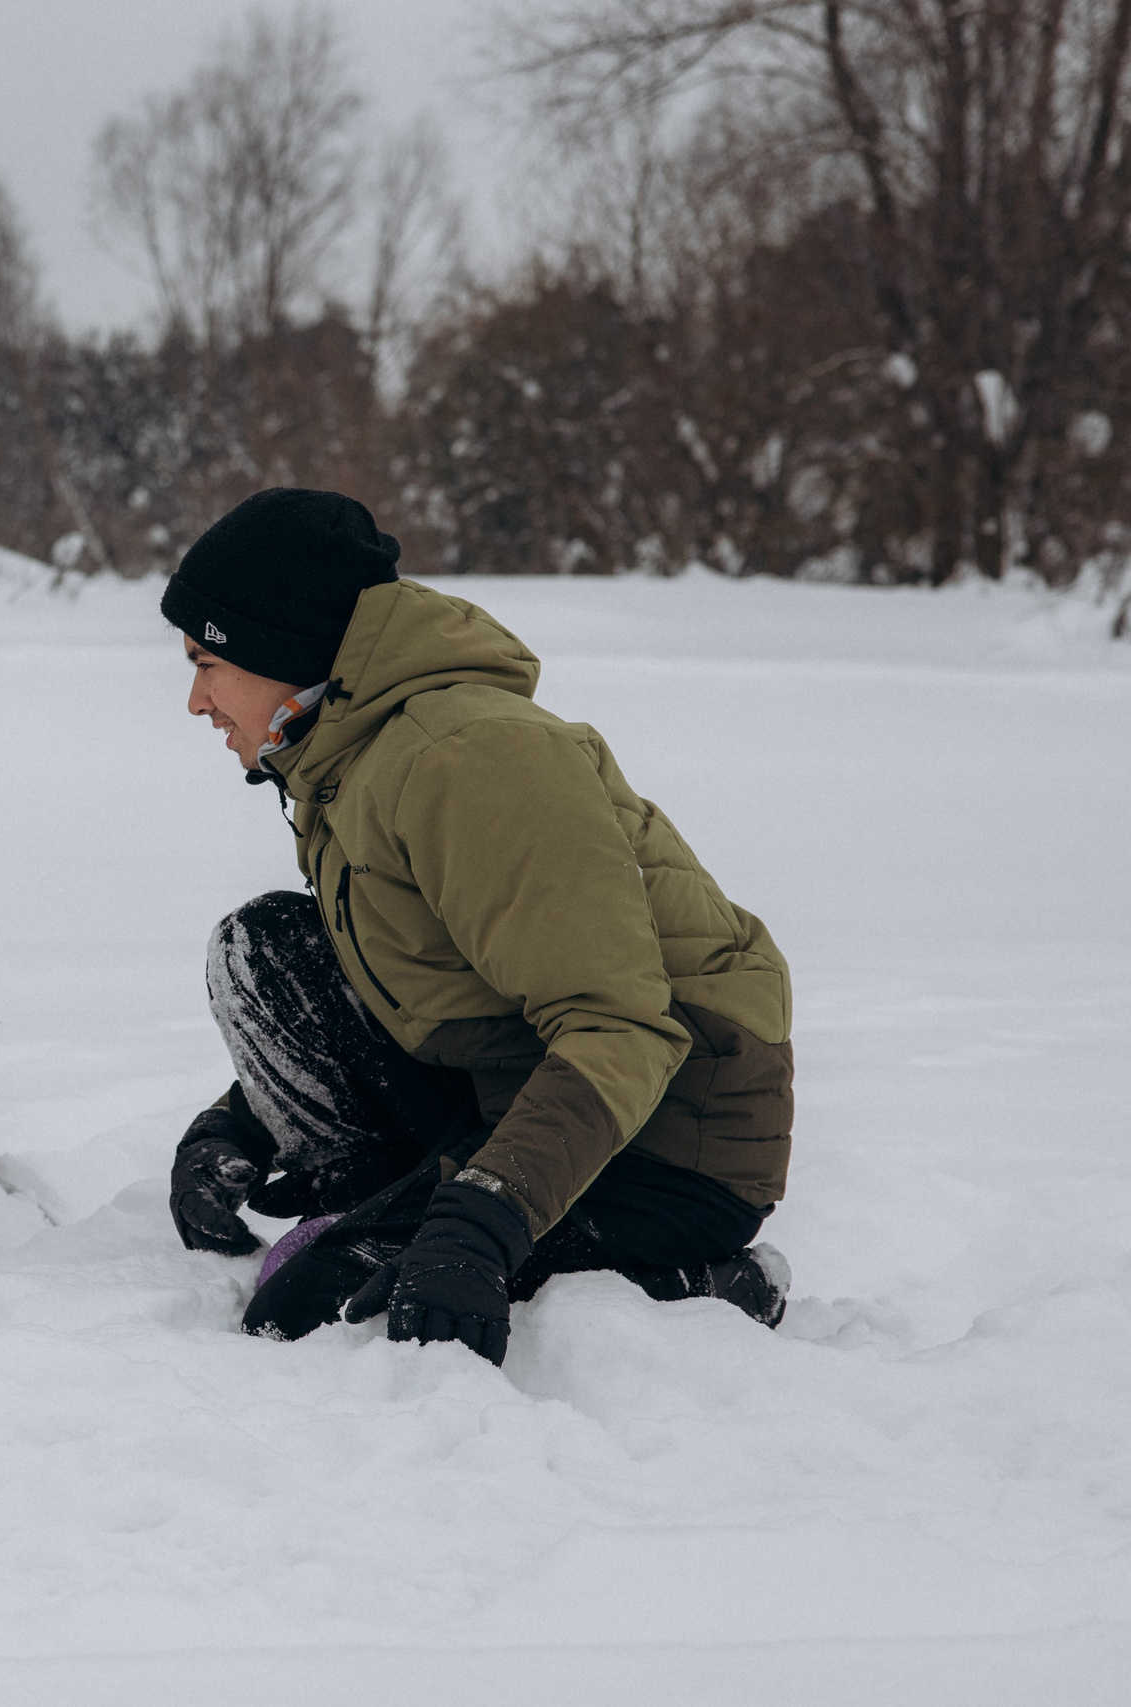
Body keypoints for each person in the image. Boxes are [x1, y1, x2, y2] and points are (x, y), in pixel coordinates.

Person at [161, 488, 796, 1364]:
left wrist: (481, 1221)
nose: (195, 700)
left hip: (671, 1129)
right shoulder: (343, 759)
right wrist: (239, 1126)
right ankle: (410, 1199)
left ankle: (704, 1283)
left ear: (280, 645)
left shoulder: (469, 756)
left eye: (207, 662)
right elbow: (406, 976)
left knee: (314, 1302)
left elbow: (620, 1022)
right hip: (521, 1080)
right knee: (266, 949)